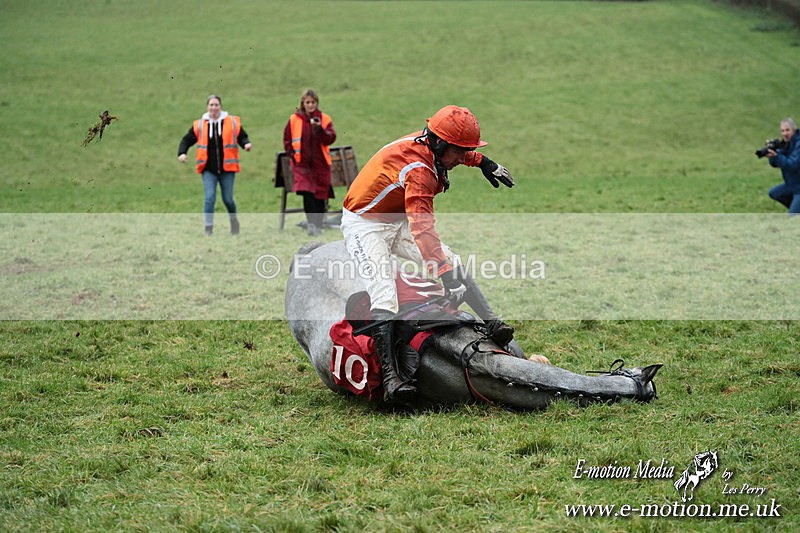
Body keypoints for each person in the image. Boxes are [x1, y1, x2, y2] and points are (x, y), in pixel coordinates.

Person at [340, 105, 516, 402]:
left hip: (394, 219)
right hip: (365, 225)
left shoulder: (433, 146)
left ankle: (491, 322)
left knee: (453, 260)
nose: (463, 158)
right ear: (438, 143)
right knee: (384, 294)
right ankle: (391, 378)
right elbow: (423, 230)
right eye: (461, 152)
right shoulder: (419, 170)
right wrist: (446, 278)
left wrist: (484, 161)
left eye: (467, 151)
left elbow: (456, 152)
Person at [178, 95, 252, 236]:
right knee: (209, 197)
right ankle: (208, 229)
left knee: (228, 199)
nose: (214, 108)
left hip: (227, 169)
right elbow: (186, 140)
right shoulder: (200, 124)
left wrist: (246, 144)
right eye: (211, 105)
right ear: (207, 107)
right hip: (208, 169)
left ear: (220, 107)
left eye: (216, 105)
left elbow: (242, 136)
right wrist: (182, 152)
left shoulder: (231, 122)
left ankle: (234, 221)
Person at [283, 89, 337, 236]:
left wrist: (319, 129)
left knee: (320, 195)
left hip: (321, 164)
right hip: (302, 165)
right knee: (308, 194)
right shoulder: (294, 119)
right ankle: (311, 225)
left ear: (317, 103)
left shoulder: (324, 119)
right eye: (308, 102)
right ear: (303, 103)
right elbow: (287, 139)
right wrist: (292, 155)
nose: (311, 105)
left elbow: (331, 138)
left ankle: (318, 225)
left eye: (313, 102)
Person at [766, 117, 800, 215]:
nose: (785, 133)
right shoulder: (786, 144)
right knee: (774, 193)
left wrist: (777, 155)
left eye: (787, 130)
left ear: (794, 130)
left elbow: (793, 164)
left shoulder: (798, 144)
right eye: (782, 131)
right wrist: (772, 154)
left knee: (792, 218)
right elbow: (775, 164)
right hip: (792, 185)